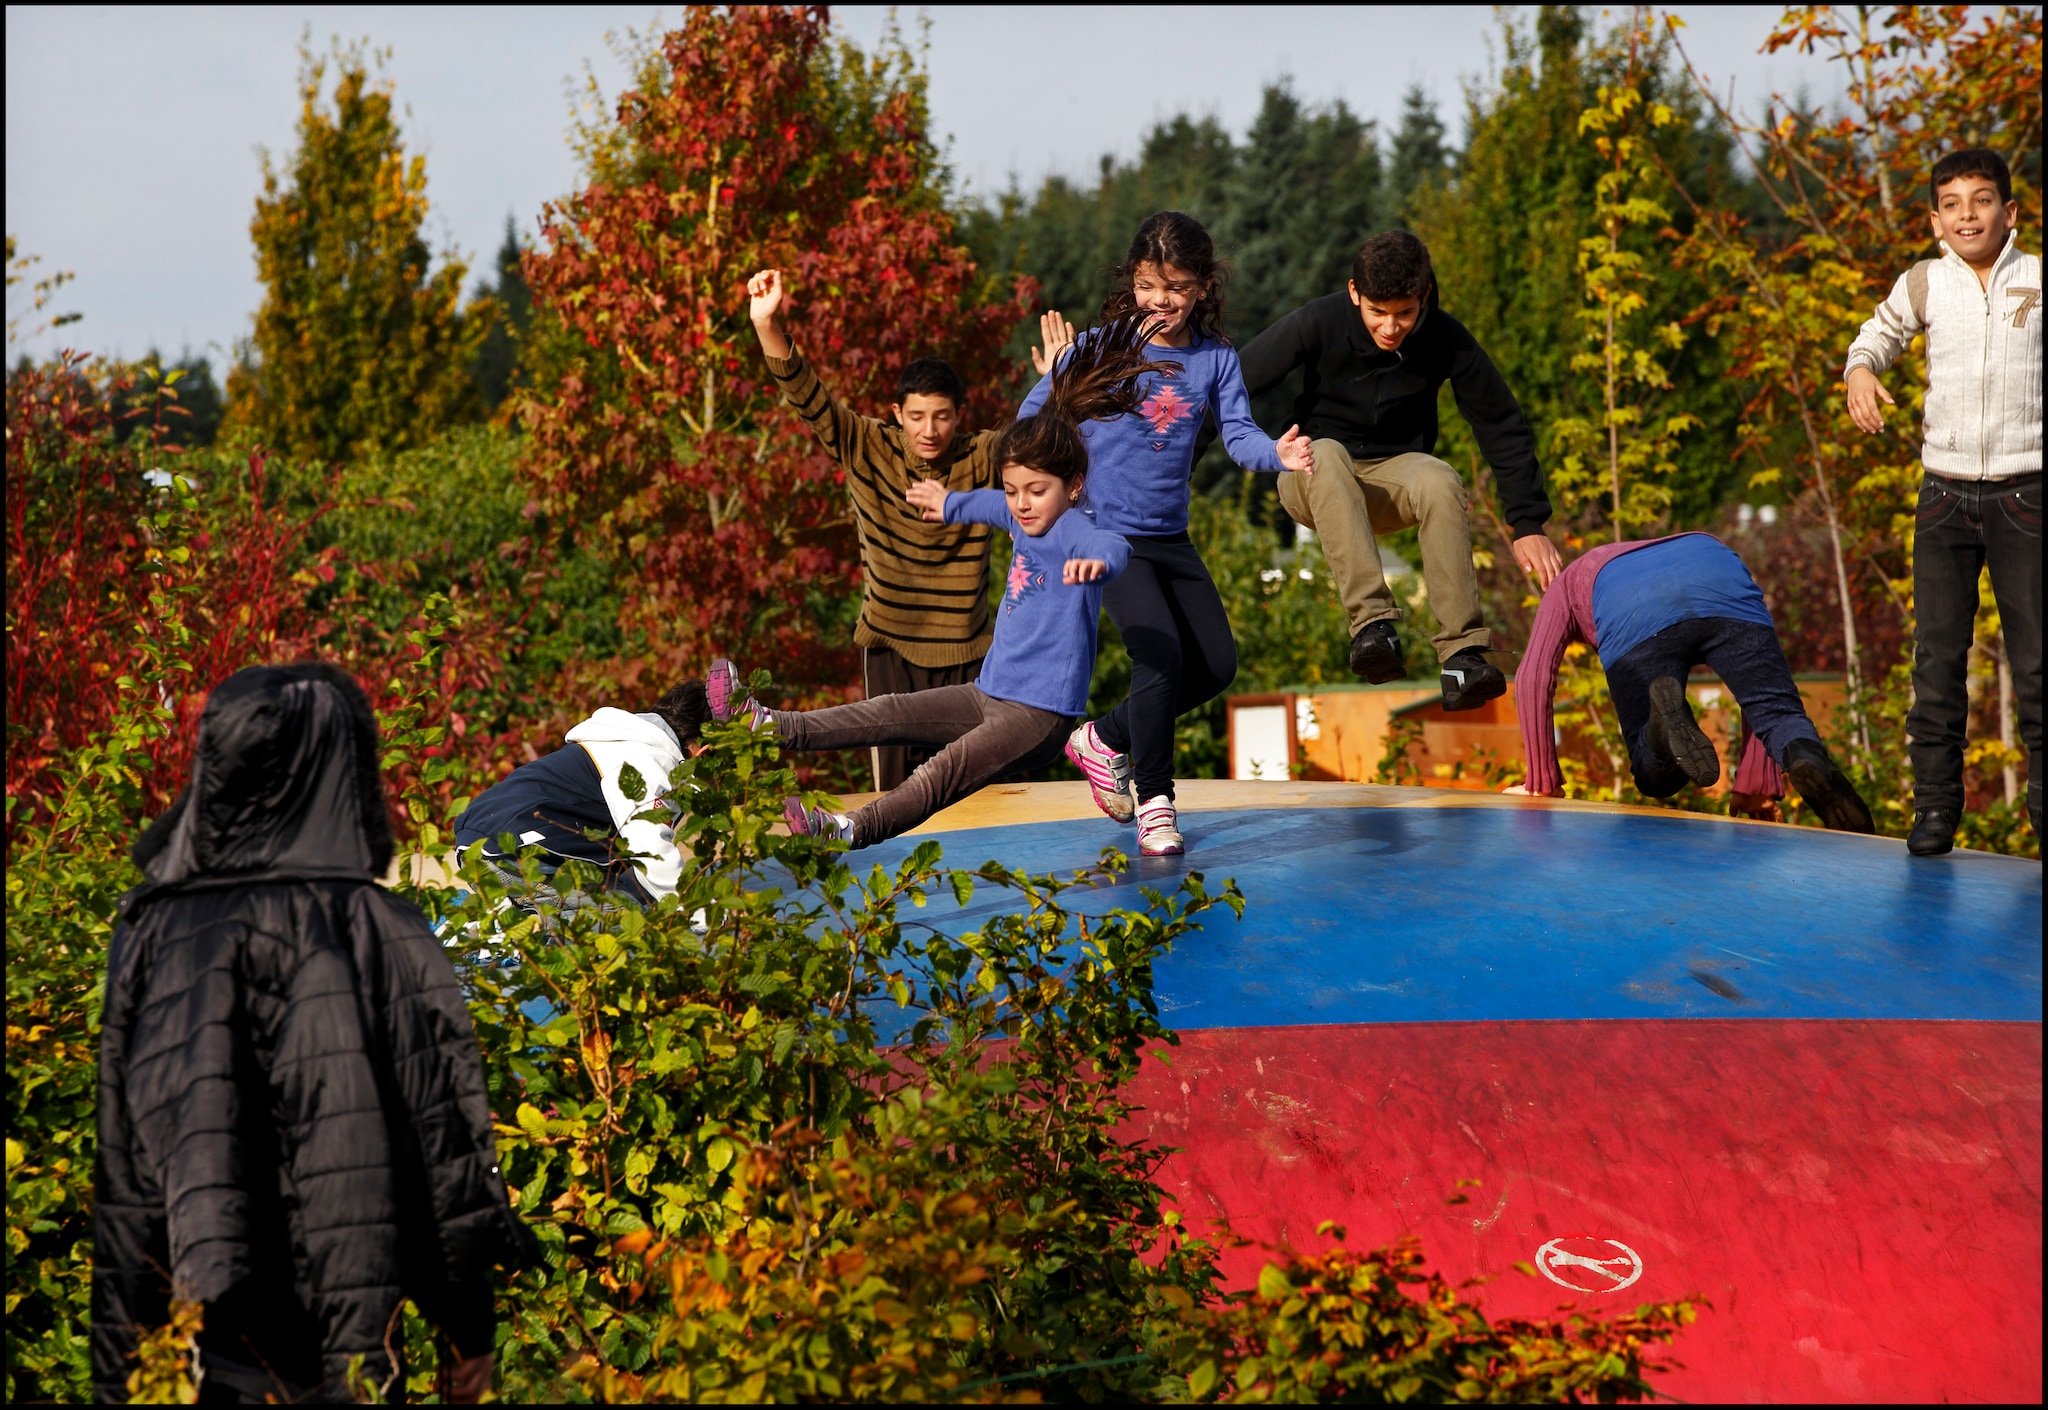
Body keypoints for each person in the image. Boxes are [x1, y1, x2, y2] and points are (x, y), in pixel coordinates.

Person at [93, 664, 534, 1405]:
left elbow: (125, 1176)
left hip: (213, 1348)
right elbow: (441, 1148)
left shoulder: (154, 930)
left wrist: (120, 1372)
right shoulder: (380, 928)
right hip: (359, 1350)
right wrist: (467, 1330)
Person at [709, 315, 1163, 850]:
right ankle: (767, 725)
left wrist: (1099, 565)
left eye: (1036, 491)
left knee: (941, 772)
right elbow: (992, 489)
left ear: (1074, 487)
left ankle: (848, 829)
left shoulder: (1072, 529)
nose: (1021, 504)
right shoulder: (1021, 513)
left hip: (1038, 716)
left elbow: (1112, 545)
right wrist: (948, 502)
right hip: (987, 692)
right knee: (887, 713)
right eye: (1013, 490)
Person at [1029, 212, 1314, 855]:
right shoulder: (1102, 349)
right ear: (1132, 280)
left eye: (1177, 288)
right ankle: (1155, 803)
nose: (1160, 301)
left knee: (1214, 665)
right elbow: (1031, 425)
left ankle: (1102, 737)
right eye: (1148, 286)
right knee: (1158, 656)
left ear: (1204, 286)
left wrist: (1278, 454)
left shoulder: (1215, 359)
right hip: (1106, 534)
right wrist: (1055, 384)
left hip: (1168, 536)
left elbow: (1239, 435)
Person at [1216, 229, 1563, 707]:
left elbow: (1500, 422)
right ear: (1354, 292)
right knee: (1327, 452)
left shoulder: (1445, 338)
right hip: (1310, 477)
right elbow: (1230, 386)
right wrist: (1174, 465)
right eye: (1377, 312)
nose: (1390, 327)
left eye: (1404, 313)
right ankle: (1373, 629)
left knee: (1439, 479)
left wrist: (1527, 522)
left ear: (1424, 297)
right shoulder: (1318, 321)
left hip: (1389, 479)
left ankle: (1462, 657)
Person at [748, 268, 1062, 793]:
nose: (929, 430)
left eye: (941, 417)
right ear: (897, 414)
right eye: (917, 417)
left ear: (960, 416)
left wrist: (1057, 379)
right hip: (890, 649)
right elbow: (806, 394)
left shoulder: (984, 455)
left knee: (967, 793)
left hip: (968, 655)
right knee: (894, 795)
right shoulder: (866, 445)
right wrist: (766, 324)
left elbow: (1039, 443)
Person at [1844, 147, 2041, 856]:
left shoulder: (2038, 279)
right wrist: (1860, 371)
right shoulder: (1924, 282)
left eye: (1982, 201)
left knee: (2037, 667)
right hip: (1944, 500)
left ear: (2008, 212)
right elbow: (1877, 335)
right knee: (1936, 663)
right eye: (1952, 205)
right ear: (1935, 221)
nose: (1968, 215)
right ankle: (1933, 809)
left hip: (2027, 497)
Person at [1513, 535, 1874, 832]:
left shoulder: (1568, 583)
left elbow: (1533, 676)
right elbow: (1754, 692)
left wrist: (1543, 783)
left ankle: (1659, 731)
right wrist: (1755, 784)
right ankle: (1807, 757)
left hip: (1631, 607)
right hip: (1715, 563)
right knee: (1776, 712)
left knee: (1654, 776)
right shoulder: (1689, 545)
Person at [452, 681, 710, 908]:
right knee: (620, 922)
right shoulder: (649, 761)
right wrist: (703, 917)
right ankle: (461, 923)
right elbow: (649, 847)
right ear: (703, 752)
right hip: (508, 850)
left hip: (485, 839)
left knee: (637, 899)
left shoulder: (623, 740)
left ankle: (475, 916)